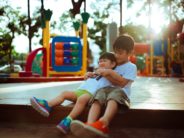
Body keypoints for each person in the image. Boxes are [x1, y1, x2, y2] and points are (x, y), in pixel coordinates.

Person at [30, 52, 117, 134]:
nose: (101, 63)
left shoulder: (111, 74)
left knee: (82, 99)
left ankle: (68, 120)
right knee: (65, 93)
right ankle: (47, 105)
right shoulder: (96, 72)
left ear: (112, 64)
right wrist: (87, 75)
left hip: (91, 95)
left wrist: (106, 73)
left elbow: (114, 81)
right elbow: (88, 80)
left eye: (104, 61)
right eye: (100, 61)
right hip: (80, 91)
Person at [70, 34, 137, 138]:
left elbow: (122, 83)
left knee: (113, 97)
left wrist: (108, 73)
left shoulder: (131, 67)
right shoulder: (112, 63)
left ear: (130, 53)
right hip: (105, 89)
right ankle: (90, 124)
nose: (117, 55)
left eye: (120, 53)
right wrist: (91, 74)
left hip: (121, 93)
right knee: (97, 97)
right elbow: (99, 74)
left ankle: (103, 122)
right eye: (115, 52)